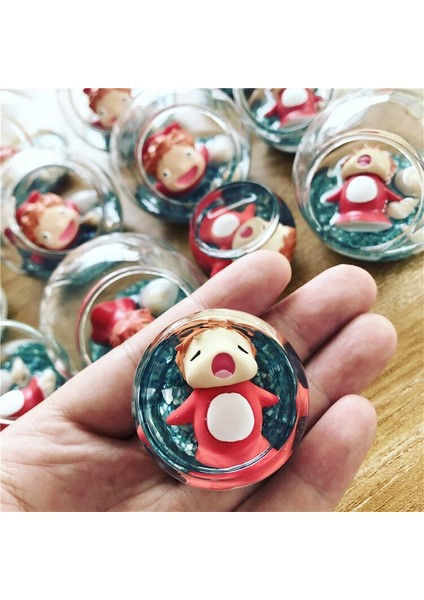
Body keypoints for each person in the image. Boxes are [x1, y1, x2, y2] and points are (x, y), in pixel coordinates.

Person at [0, 250, 397, 511]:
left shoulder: (257, 381)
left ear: (252, 356)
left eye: (239, 350)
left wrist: (271, 401)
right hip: (209, 454)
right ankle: (215, 454)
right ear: (185, 366)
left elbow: (268, 398)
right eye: (198, 357)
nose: (222, 361)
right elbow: (180, 415)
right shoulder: (181, 397)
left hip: (255, 446)